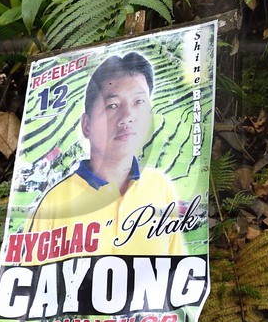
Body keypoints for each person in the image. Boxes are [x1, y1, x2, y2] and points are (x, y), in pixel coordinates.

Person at [24, 52, 188, 255]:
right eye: (112, 105)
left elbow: (177, 267)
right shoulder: (54, 203)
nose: (127, 116)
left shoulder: (160, 187)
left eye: (139, 102)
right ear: (86, 125)